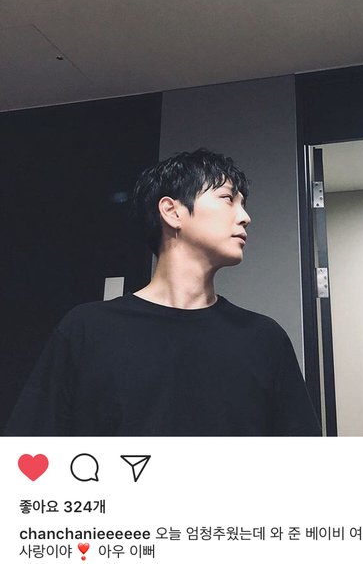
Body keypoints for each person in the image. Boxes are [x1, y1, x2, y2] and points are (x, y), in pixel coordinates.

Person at [4, 148, 321, 436]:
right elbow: (32, 448)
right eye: (228, 198)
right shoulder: (87, 329)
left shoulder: (264, 338)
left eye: (243, 204)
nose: (245, 217)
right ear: (172, 211)